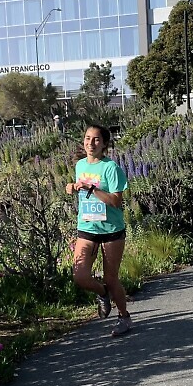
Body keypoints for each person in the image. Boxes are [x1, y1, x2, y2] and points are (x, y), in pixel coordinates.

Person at [65, 125, 132, 337]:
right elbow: (80, 193)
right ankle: (102, 293)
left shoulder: (111, 168)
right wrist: (71, 187)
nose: (90, 143)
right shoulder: (80, 165)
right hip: (87, 227)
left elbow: (116, 201)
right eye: (87, 138)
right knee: (80, 276)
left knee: (112, 279)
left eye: (96, 139)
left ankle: (124, 317)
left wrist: (92, 189)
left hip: (111, 229)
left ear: (104, 144)